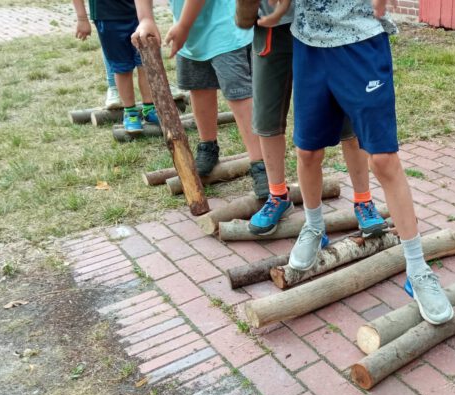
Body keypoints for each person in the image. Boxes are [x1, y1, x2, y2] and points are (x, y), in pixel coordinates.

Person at [263, 0, 453, 324]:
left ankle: (418, 269)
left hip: (362, 41)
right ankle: (314, 227)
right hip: (309, 44)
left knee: (382, 159)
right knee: (307, 151)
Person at [247, 1, 388, 238]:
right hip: (272, 28)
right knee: (267, 118)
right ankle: (278, 195)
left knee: (348, 121)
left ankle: (363, 201)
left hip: (324, 26)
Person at [132, 0, 265, 178]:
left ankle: (260, 164)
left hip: (225, 27)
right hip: (192, 34)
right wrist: (146, 18)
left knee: (238, 96)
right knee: (199, 87)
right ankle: (208, 146)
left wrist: (184, 26)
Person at [72, 0, 158, 132]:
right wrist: (81, 18)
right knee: (121, 66)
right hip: (107, 17)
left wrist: (148, 17)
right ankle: (130, 113)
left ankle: (150, 108)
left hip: (139, 13)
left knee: (145, 63)